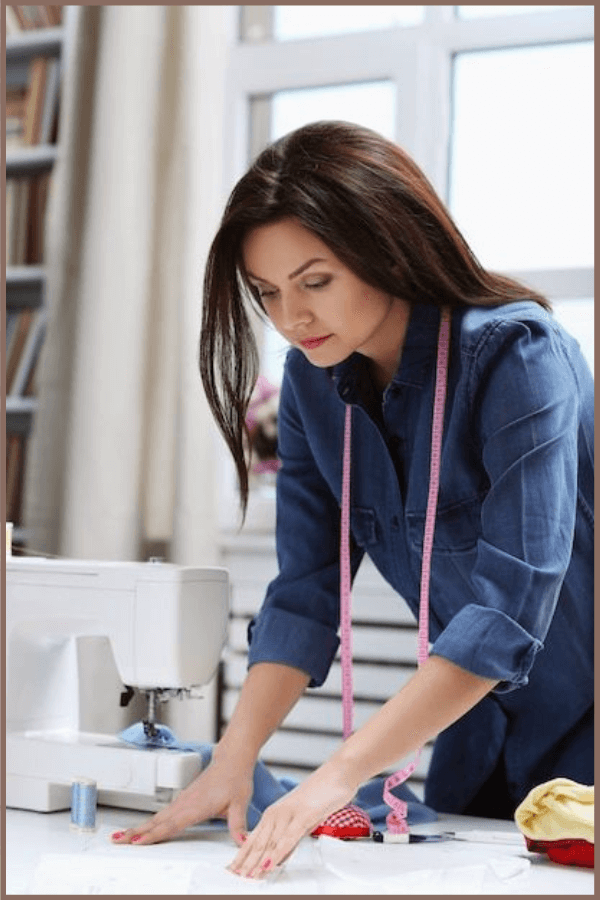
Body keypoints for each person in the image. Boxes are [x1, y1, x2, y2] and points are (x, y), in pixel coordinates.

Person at [112, 121, 594, 878]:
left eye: (315, 282)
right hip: (474, 734)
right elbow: (306, 593)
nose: (290, 318)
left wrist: (336, 775)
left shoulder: (517, 356)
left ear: (388, 247)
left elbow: (507, 613)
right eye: (267, 292)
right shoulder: (313, 386)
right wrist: (233, 761)